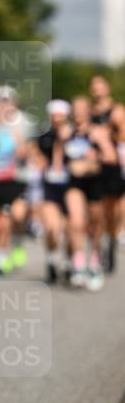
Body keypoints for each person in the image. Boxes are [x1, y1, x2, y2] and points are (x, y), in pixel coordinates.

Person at [62, 95, 107, 291]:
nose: (79, 113)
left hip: (95, 183)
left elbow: (111, 157)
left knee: (96, 224)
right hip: (74, 184)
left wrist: (93, 159)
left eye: (82, 109)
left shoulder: (97, 132)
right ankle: (79, 264)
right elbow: (58, 158)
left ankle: (95, 261)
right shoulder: (66, 132)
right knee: (76, 222)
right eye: (76, 108)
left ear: (88, 112)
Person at [0, 86, 29, 274]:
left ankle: (7, 252)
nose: (4, 105)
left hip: (14, 178)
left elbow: (25, 152)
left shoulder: (22, 122)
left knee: (13, 217)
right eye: (0, 101)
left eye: (7, 101)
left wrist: (14, 134)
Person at [35, 100, 72, 284]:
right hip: (50, 187)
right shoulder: (44, 135)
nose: (57, 119)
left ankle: (68, 263)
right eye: (54, 115)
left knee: (69, 229)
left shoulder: (74, 133)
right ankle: (51, 260)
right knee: (51, 228)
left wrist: (64, 140)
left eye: (60, 115)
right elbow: (37, 156)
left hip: (71, 188)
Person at [89, 75, 124, 273]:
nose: (96, 89)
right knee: (95, 212)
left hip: (112, 166)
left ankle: (110, 240)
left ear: (107, 88)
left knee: (111, 211)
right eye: (93, 86)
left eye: (99, 85)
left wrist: (107, 132)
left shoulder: (116, 110)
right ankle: (97, 246)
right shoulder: (89, 112)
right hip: (93, 166)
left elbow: (123, 135)